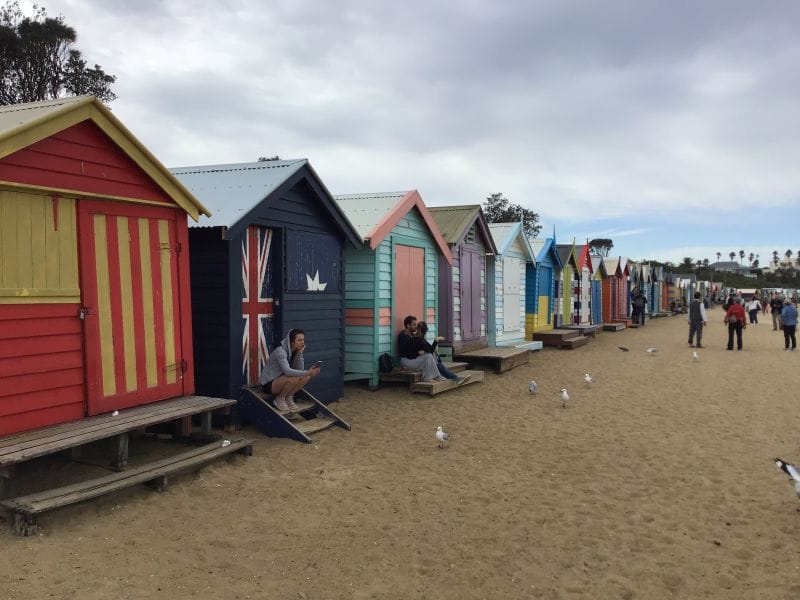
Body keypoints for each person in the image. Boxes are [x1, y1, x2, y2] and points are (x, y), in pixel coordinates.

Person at [259, 328, 320, 411]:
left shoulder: (295, 352)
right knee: (295, 377)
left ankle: (288, 397)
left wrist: (300, 353)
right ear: (292, 342)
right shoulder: (280, 351)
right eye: (299, 340)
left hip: (282, 380)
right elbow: (288, 371)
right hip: (269, 384)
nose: (302, 342)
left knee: (306, 377)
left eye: (303, 339)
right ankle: (279, 399)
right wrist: (308, 372)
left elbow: (300, 370)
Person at [397, 315, 443, 382]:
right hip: (406, 361)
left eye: (416, 324)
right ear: (408, 325)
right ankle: (427, 378)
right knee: (428, 356)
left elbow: (427, 348)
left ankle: (437, 376)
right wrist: (418, 353)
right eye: (414, 325)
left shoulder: (413, 336)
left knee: (430, 355)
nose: (416, 327)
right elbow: (405, 352)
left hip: (413, 360)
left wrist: (422, 352)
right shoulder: (403, 336)